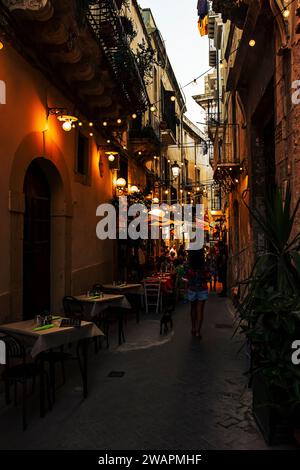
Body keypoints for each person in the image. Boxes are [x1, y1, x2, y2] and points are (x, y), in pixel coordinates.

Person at [183, 249, 210, 339]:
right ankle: (198, 331)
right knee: (200, 310)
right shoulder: (204, 264)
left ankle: (193, 327)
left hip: (192, 288)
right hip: (202, 288)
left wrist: (186, 286)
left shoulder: (187, 264)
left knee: (193, 308)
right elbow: (208, 277)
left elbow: (185, 277)